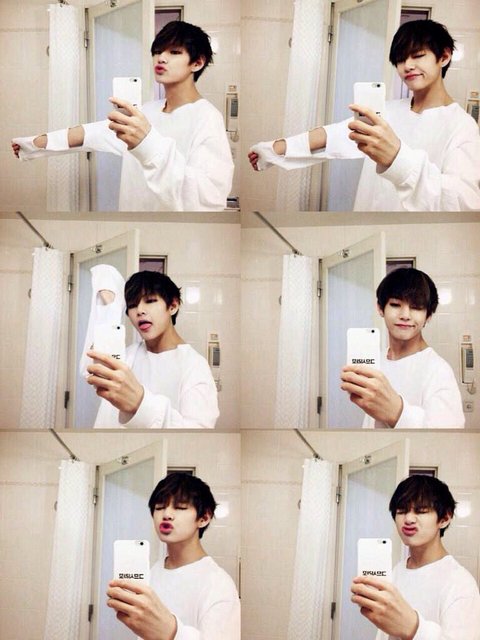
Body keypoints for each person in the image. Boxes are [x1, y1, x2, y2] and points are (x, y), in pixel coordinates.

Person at [248, 19, 480, 211]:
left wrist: (397, 158)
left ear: (444, 57)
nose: (407, 66)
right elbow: (334, 135)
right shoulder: (388, 111)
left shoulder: (462, 127)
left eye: (418, 55)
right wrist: (273, 149)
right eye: (400, 59)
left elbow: (462, 204)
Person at [11, 20, 233, 211]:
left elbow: (208, 198)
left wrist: (147, 143)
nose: (161, 58)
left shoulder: (206, 118)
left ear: (197, 62)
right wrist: (34, 144)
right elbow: (94, 133)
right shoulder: (147, 112)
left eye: (174, 52)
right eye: (157, 51)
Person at [107, 472, 241, 640]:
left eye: (180, 507)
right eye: (159, 507)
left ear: (204, 518)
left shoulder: (218, 584)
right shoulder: (154, 571)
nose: (166, 514)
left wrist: (171, 632)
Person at [351, 475, 480, 639]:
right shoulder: (398, 570)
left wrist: (413, 628)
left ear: (445, 518)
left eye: (421, 511)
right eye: (401, 511)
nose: (409, 519)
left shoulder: (460, 583)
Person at [87, 270, 219, 428]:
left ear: (173, 306)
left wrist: (140, 404)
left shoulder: (194, 365)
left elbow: (198, 433)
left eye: (150, 301)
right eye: (132, 305)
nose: (139, 311)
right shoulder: (127, 356)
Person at [340, 268, 464, 428]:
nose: (405, 315)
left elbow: (449, 436)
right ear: (380, 308)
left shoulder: (438, 370)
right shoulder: (377, 360)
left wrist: (397, 412)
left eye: (416, 307)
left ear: (428, 315)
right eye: (395, 304)